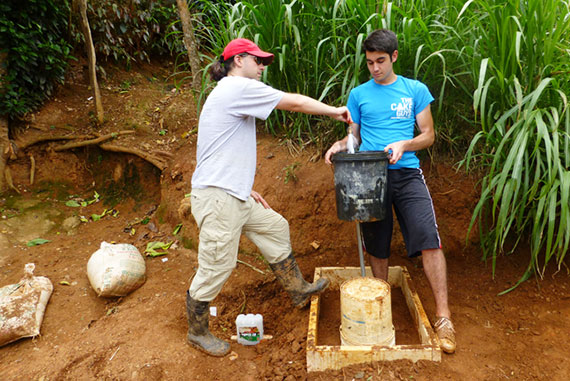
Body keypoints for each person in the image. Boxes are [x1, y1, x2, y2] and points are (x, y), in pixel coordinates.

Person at [182, 38, 352, 357]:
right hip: (219, 200)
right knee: (218, 265)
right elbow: (295, 103)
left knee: (274, 226)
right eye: (258, 61)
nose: (262, 67)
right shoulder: (236, 87)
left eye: (264, 62)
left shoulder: (229, 94)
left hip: (231, 194)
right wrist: (335, 111)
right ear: (239, 60)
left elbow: (216, 147)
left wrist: (242, 187)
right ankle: (197, 330)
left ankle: (298, 290)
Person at [324, 29, 456, 354]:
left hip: (407, 174)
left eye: (380, 61)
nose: (375, 68)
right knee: (377, 246)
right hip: (368, 176)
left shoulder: (415, 90)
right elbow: (353, 136)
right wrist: (339, 145)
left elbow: (428, 135)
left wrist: (404, 143)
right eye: (369, 62)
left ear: (394, 56)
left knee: (429, 238)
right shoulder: (358, 94)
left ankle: (444, 317)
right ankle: (381, 306)